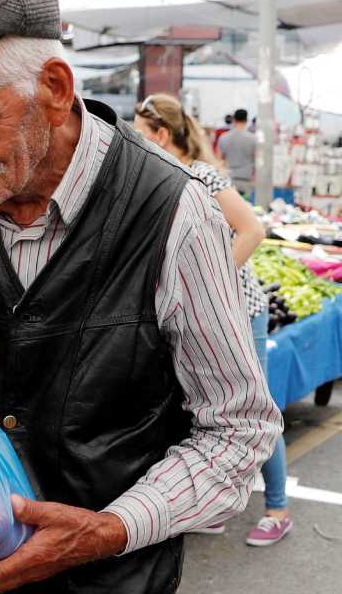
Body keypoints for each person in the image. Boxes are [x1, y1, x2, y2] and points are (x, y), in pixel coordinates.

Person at [0, 0, 281, 593]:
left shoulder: (175, 211)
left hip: (110, 580)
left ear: (56, 90)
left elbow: (238, 429)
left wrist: (109, 529)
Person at [134, 93, 291, 546]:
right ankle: (215, 507)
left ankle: (278, 509)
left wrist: (209, 283)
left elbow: (253, 230)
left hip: (240, 310)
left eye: (141, 134)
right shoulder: (156, 180)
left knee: (252, 409)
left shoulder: (200, 176)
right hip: (196, 316)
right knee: (202, 408)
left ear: (162, 135)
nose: (135, 143)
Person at [217, 108, 257, 195]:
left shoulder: (223, 137)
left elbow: (219, 160)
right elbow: (256, 159)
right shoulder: (253, 138)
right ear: (246, 120)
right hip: (246, 178)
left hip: (228, 179)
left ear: (234, 119)